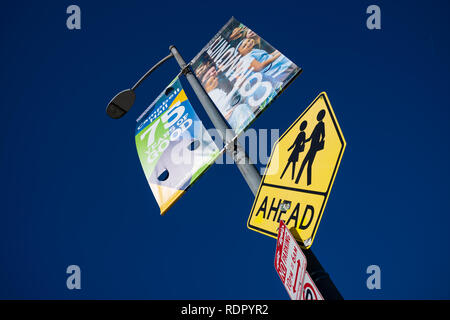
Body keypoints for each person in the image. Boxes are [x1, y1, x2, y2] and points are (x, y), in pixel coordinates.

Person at [295, 110, 326, 185]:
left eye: (319, 115)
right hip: (311, 147)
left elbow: (323, 134)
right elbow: (311, 136)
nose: (317, 116)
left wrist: (320, 141)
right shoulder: (317, 125)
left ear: (321, 116)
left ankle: (308, 183)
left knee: (308, 165)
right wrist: (305, 141)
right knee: (304, 163)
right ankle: (297, 181)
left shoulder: (322, 124)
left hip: (314, 147)